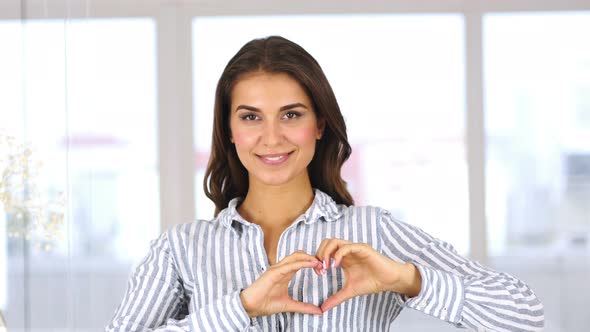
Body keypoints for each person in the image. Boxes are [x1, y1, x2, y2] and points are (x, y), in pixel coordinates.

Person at [106, 36, 544, 331]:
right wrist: (240, 307)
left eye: (292, 115)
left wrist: (409, 280)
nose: (272, 137)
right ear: (230, 130)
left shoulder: (372, 234)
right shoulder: (182, 248)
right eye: (251, 117)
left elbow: (525, 315)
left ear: (319, 126)